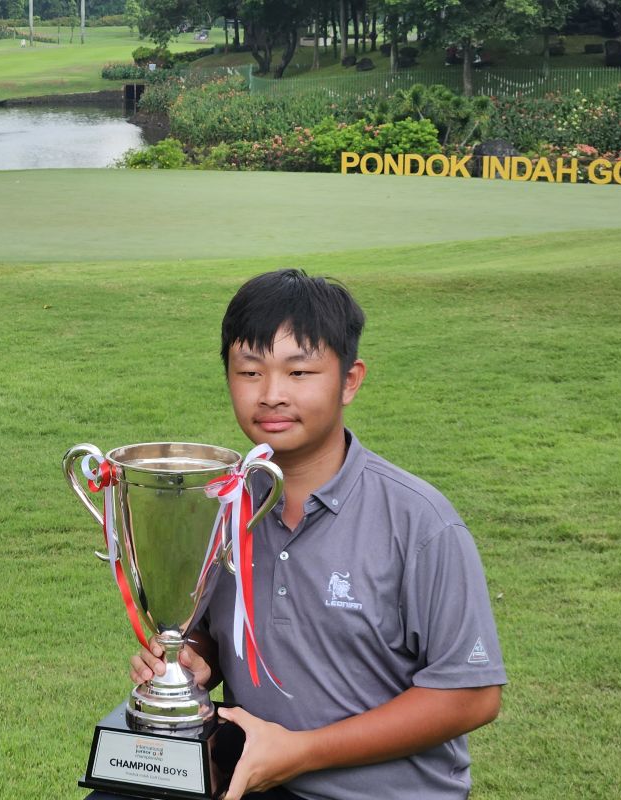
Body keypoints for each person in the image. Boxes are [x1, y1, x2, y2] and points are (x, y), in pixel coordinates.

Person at [131, 269, 506, 800]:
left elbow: (472, 695)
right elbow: (214, 630)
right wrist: (190, 656)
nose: (272, 395)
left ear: (350, 380)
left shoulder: (419, 521)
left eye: (300, 372)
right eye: (250, 371)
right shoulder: (218, 504)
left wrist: (301, 751)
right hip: (250, 783)